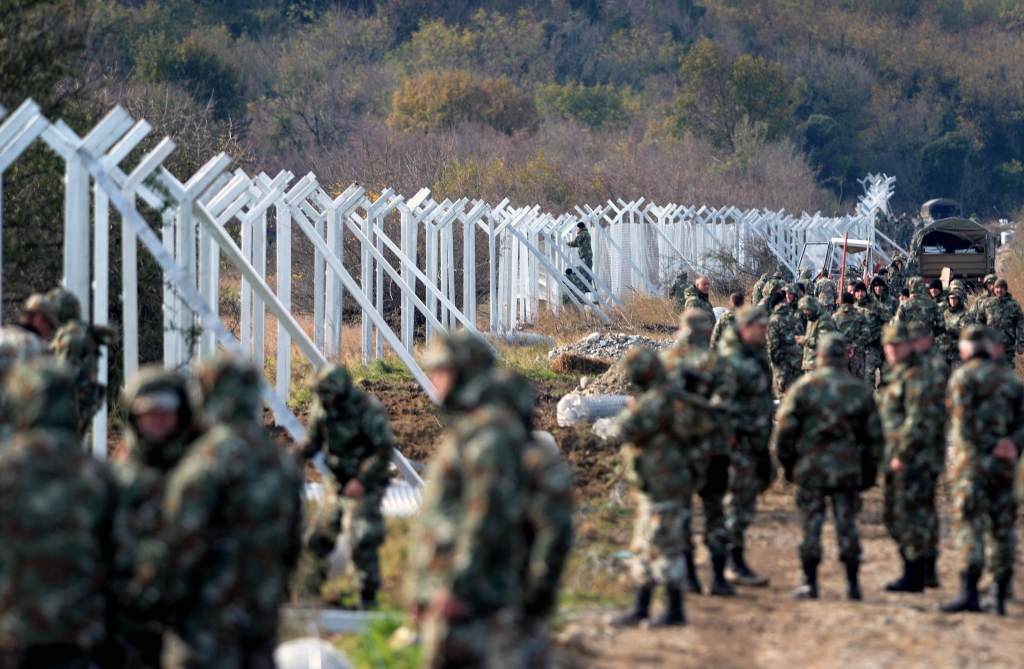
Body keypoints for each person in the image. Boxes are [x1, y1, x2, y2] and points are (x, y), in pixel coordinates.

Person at [163, 357, 303, 667]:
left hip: (207, 626)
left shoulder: (205, 460)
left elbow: (181, 547)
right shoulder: (280, 462)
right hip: (261, 618)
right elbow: (293, 543)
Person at [407, 333, 528, 668]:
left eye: (441, 370)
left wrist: (458, 586)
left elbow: (485, 515)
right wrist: (421, 589)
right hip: (452, 591)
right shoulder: (469, 428)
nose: (433, 380)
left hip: (472, 598)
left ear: (465, 371)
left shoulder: (488, 434)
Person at [0, 361, 117, 669]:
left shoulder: (6, 467)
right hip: (77, 631)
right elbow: (120, 555)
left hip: (12, 630)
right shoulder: (95, 474)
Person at [772, 334, 884, 601]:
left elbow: (784, 434)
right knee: (847, 525)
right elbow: (875, 439)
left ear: (819, 356)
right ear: (844, 355)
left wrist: (788, 467)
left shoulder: (803, 387)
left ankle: (810, 582)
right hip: (847, 470)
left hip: (810, 469)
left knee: (810, 525)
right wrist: (868, 473)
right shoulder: (859, 390)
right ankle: (852, 584)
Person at [613, 347, 719, 626]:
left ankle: (674, 610)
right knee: (645, 545)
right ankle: (641, 606)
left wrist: (631, 407)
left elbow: (624, 429)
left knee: (666, 546)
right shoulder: (674, 397)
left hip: (664, 483)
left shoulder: (657, 401)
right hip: (659, 483)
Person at [112, 366, 200, 669]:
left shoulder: (200, 475)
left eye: (167, 409)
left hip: (191, 620)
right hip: (129, 622)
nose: (158, 418)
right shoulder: (117, 479)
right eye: (149, 410)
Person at [939, 326, 1024, 616]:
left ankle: (969, 592)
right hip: (1004, 465)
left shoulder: (963, 377)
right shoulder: (1010, 379)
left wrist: (989, 444)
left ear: (966, 349)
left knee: (969, 523)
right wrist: (1011, 445)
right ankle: (999, 594)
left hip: (972, 463)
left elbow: (962, 423)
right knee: (1001, 526)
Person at [298, 364, 394, 610]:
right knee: (318, 537)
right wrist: (290, 458)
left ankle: (367, 598)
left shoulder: (367, 409)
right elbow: (312, 441)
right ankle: (306, 595)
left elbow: (384, 451)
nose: (325, 401)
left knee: (361, 534)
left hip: (367, 482)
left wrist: (361, 479)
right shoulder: (322, 410)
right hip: (337, 482)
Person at [660, 310, 733, 596]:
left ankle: (690, 576)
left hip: (680, 449)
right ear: (707, 332)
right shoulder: (718, 363)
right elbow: (727, 404)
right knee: (716, 512)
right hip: (714, 448)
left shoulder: (667, 363)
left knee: (684, 514)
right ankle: (718, 578)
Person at [876, 323, 946, 593]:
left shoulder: (916, 375)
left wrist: (902, 455)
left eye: (897, 345)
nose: (892, 350)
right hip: (900, 456)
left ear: (908, 345)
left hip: (914, 458)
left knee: (908, 514)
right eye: (888, 345)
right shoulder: (900, 373)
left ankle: (914, 574)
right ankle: (922, 570)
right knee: (909, 514)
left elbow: (918, 420)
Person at [717, 307, 775, 587]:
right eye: (760, 329)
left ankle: (733, 561)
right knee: (735, 505)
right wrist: (731, 439)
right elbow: (720, 405)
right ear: (744, 330)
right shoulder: (734, 361)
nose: (765, 333)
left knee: (745, 502)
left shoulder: (754, 357)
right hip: (738, 445)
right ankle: (730, 563)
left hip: (754, 443)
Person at [47, 287, 118, 436]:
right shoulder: (82, 331)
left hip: (70, 405)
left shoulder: (71, 336)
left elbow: (65, 373)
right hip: (78, 402)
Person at [0, 293, 57, 440]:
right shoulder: (38, 348)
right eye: (50, 325)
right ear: (39, 319)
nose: (50, 332)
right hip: (13, 436)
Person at [974, 278, 1024, 366]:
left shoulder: (1013, 305)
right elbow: (979, 321)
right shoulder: (986, 303)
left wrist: (1021, 342)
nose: (999, 290)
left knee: (1006, 375)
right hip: (990, 347)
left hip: (1007, 348)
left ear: (1006, 289)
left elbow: (1021, 323)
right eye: (997, 288)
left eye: (1002, 288)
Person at [767, 293, 803, 398]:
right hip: (797, 367)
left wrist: (774, 366)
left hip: (782, 369)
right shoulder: (796, 320)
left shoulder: (773, 322)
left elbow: (772, 348)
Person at [855, 281, 888, 387]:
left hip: (873, 347)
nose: (860, 294)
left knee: (869, 377)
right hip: (858, 349)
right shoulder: (853, 308)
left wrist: (881, 336)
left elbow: (889, 321)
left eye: (862, 291)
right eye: (858, 291)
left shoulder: (875, 305)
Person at [796, 295, 836, 372]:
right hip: (810, 364)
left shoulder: (824, 319)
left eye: (806, 309)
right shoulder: (811, 319)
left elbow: (824, 342)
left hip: (818, 366)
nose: (804, 312)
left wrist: (804, 340)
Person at [833, 292, 867, 379]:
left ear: (841, 302)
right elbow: (866, 334)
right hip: (857, 352)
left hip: (840, 353)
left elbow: (831, 335)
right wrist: (853, 345)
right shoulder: (860, 316)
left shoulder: (835, 317)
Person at [938, 289, 974, 369]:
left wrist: (950, 329)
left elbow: (966, 331)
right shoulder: (946, 312)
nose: (953, 301)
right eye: (951, 299)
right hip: (945, 351)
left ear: (959, 300)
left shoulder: (965, 313)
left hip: (957, 353)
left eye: (955, 299)